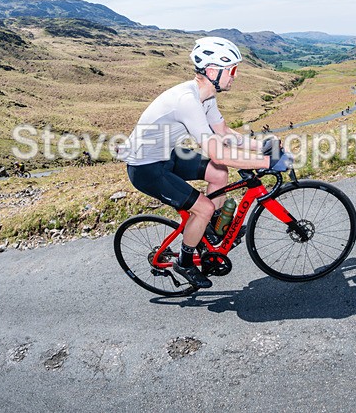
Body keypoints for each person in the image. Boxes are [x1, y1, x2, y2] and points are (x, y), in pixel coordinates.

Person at [120, 37, 293, 289]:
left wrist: (261, 145)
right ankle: (186, 261)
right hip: (145, 168)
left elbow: (223, 133)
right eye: (232, 70)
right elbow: (218, 152)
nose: (235, 76)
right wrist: (267, 161)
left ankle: (209, 232)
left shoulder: (207, 96)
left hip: (166, 155)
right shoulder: (187, 101)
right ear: (213, 71)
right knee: (203, 207)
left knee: (218, 174)